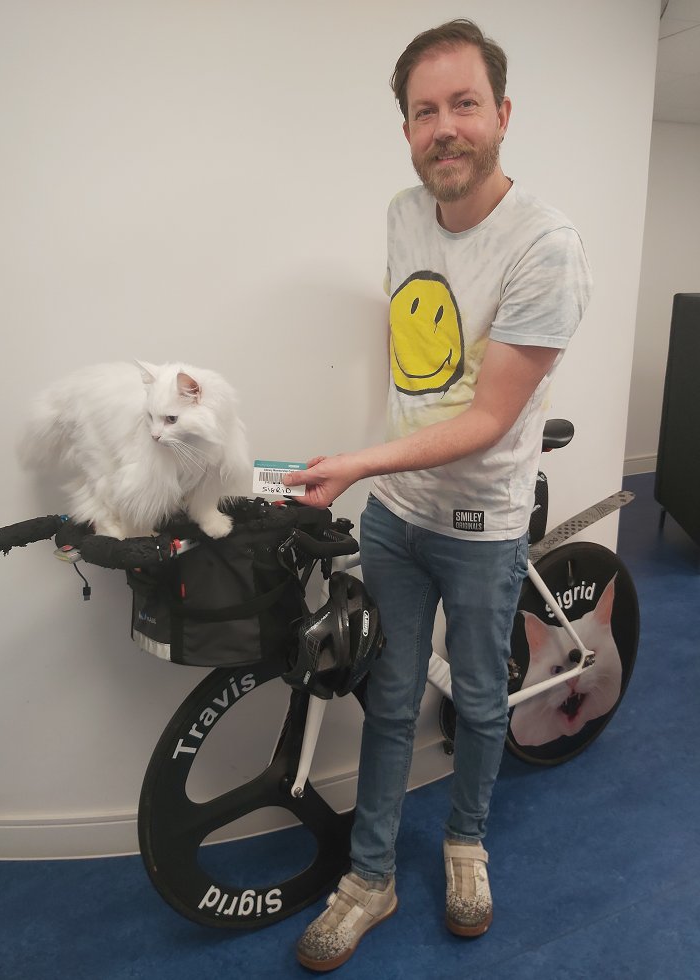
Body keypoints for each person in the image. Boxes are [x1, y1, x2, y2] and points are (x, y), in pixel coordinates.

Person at [284, 17, 592, 972]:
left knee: (482, 698)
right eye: (424, 112)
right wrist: (380, 471)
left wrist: (359, 460)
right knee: (388, 695)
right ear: (407, 129)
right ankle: (368, 878)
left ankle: (465, 846)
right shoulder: (401, 213)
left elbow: (492, 416)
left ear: (501, 114)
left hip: (480, 525)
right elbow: (423, 364)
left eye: (464, 105)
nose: (444, 127)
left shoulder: (545, 246)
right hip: (396, 521)